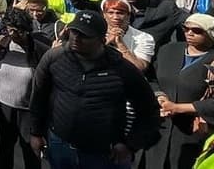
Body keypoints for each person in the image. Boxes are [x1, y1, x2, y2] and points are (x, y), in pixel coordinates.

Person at [29, 10, 161, 169]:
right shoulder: (54, 58)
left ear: (101, 39)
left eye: (84, 35)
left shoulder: (122, 68)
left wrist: (130, 144)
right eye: (74, 31)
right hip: (60, 145)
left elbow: (149, 111)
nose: (76, 38)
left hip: (104, 154)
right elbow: (39, 96)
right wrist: (36, 132)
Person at [0, 8, 48, 169]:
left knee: (30, 151)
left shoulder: (39, 50)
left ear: (26, 30)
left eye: (17, 31)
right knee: (5, 148)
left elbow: (47, 81)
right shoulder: (1, 45)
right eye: (9, 30)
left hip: (28, 110)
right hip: (4, 107)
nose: (13, 34)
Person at [149, 13, 214, 168]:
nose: (189, 33)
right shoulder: (168, 50)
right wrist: (159, 96)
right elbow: (151, 78)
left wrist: (178, 108)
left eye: (197, 31)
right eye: (186, 28)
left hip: (193, 133)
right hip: (159, 129)